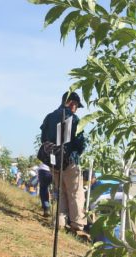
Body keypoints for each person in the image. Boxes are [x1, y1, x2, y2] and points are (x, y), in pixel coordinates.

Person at [40, 91, 88, 238]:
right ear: (72, 103)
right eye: (76, 106)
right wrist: (75, 153)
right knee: (75, 193)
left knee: (60, 191)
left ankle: (60, 222)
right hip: (70, 160)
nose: (76, 108)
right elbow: (80, 144)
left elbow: (43, 138)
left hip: (54, 160)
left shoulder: (49, 117)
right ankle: (77, 225)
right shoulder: (73, 119)